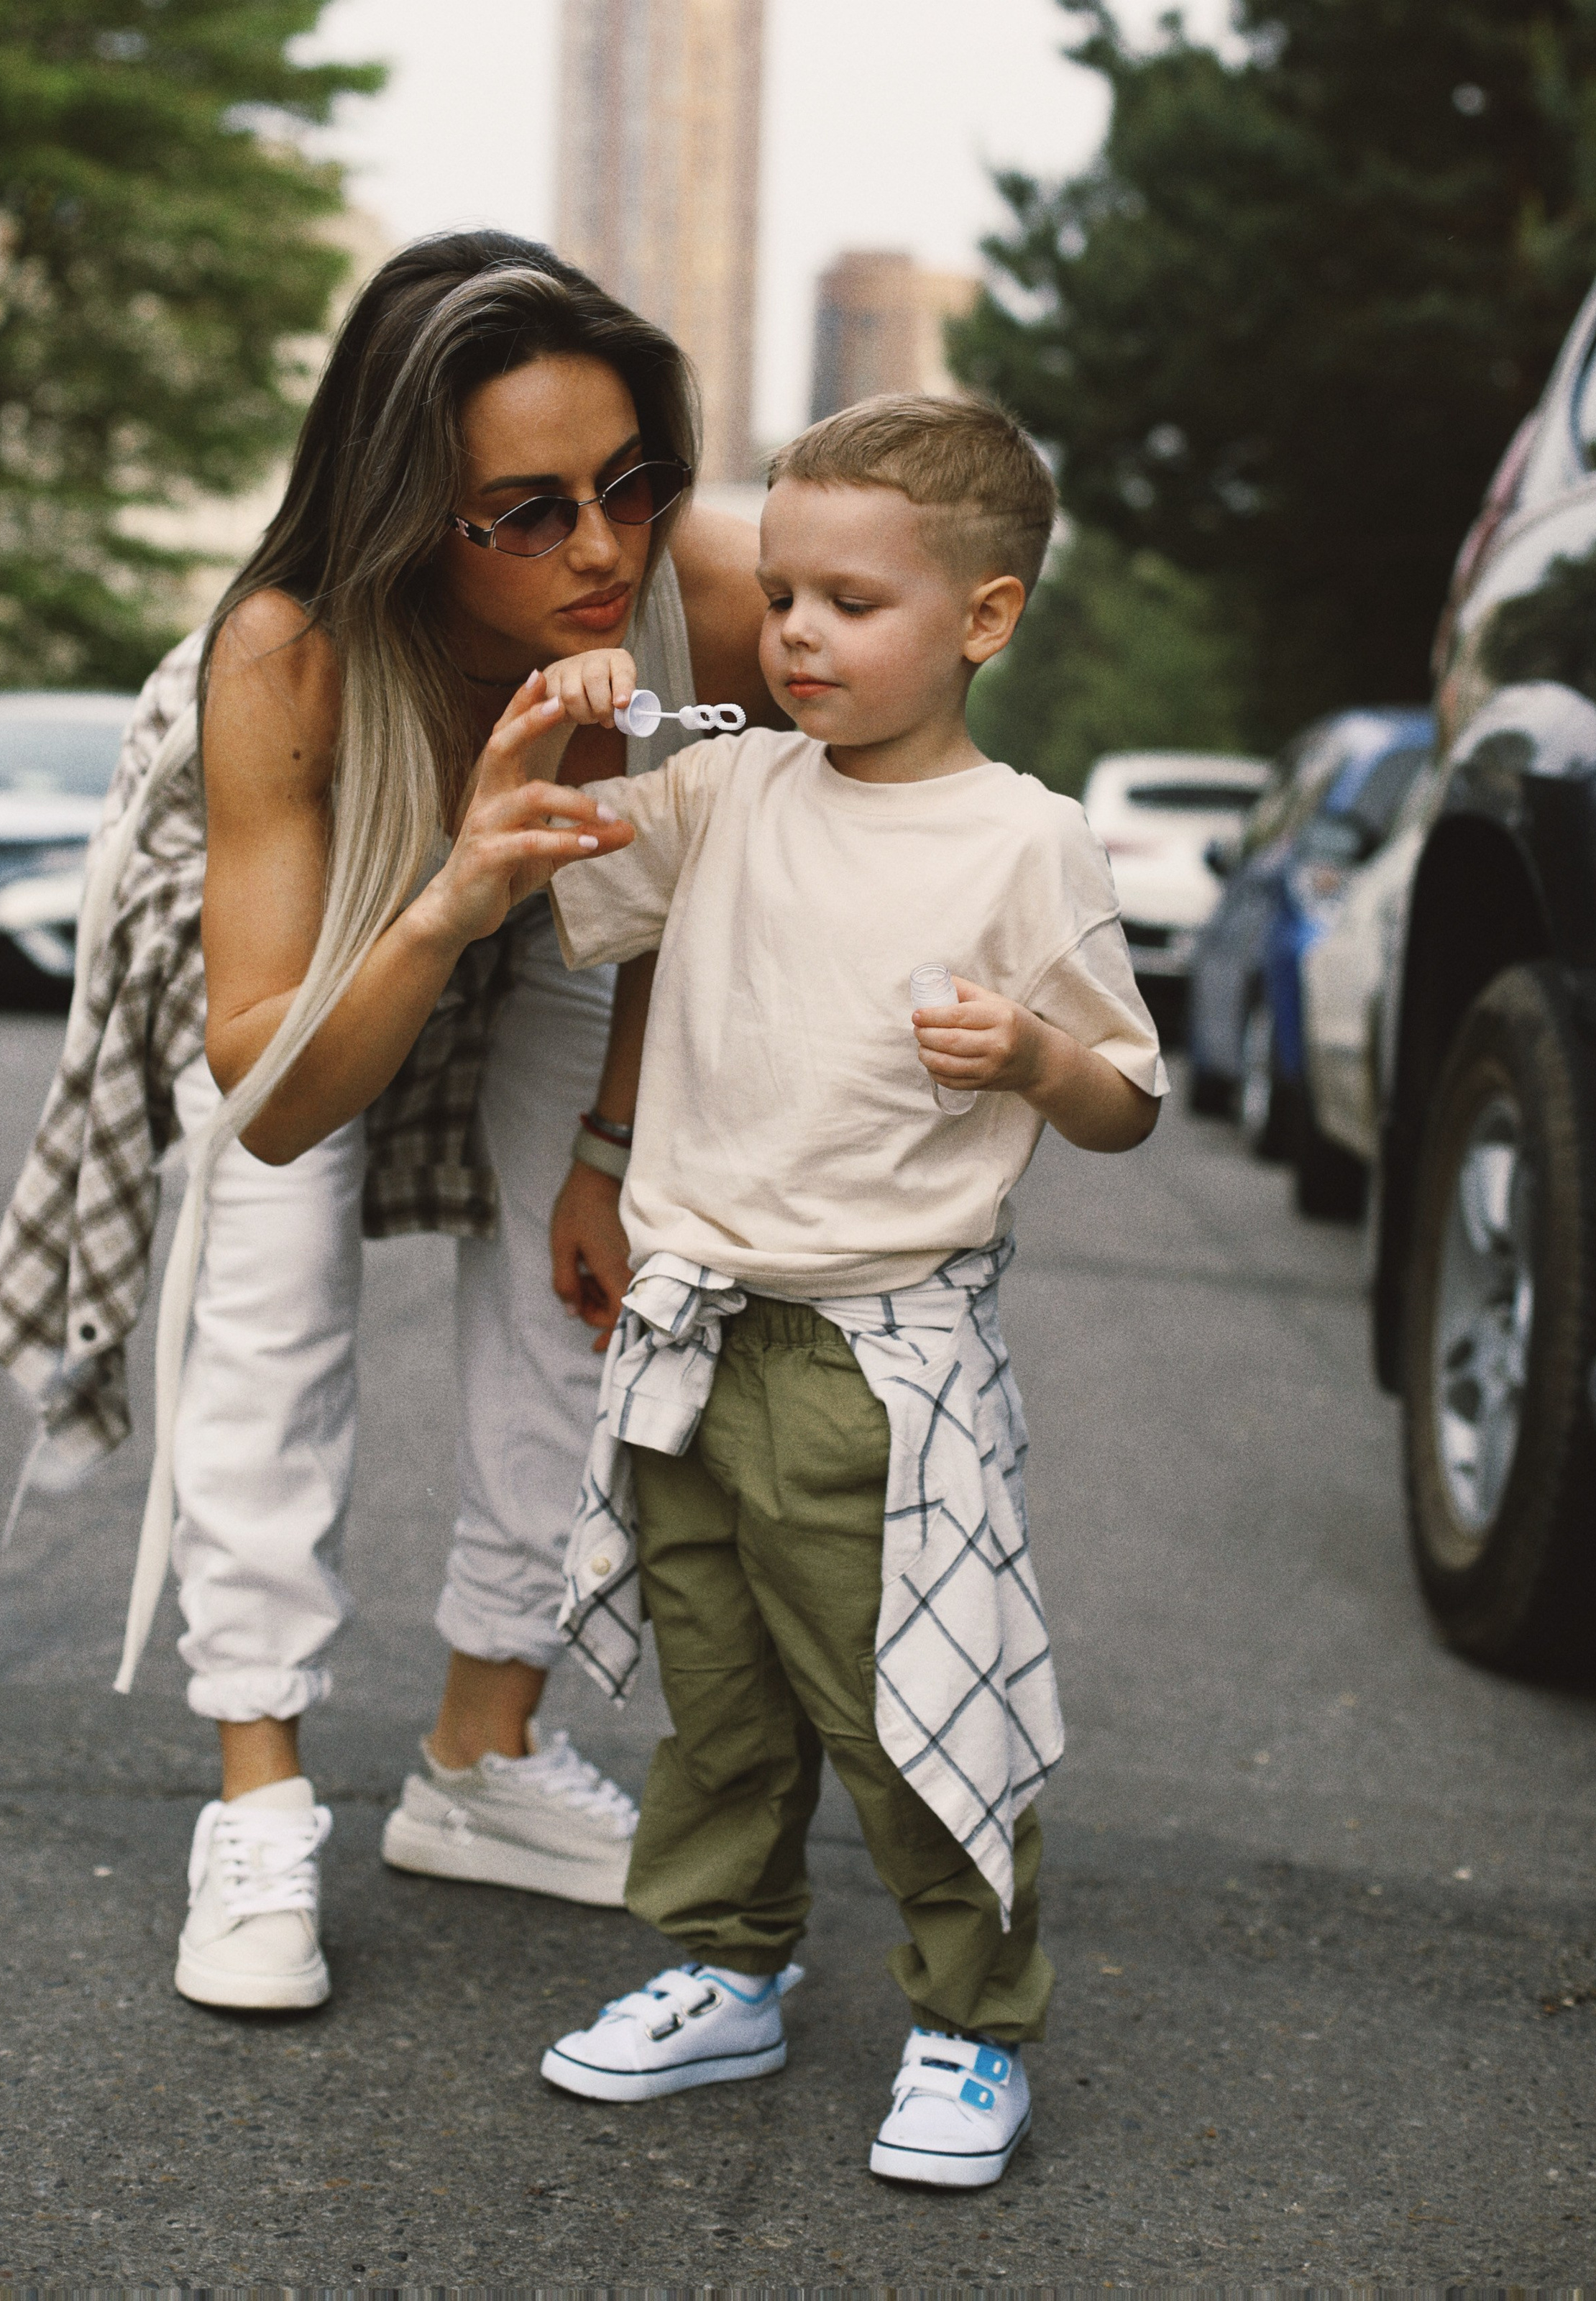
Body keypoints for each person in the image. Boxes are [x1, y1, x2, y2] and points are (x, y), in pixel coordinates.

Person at [0, 234, 779, 2013]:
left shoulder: (709, 601)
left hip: (565, 888)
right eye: (529, 512)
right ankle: (258, 1795)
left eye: (631, 481)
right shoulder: (289, 660)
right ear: (412, 515)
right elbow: (273, 1109)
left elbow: (698, 870)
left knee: (592, 1296)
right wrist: (448, 897)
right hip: (332, 911)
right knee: (268, 1300)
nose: (602, 549)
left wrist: (609, 1151)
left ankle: (481, 1759)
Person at [523, 394, 1168, 2187]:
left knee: (912, 1705)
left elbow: (1125, 1098)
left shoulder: (1020, 840)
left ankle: (970, 2022)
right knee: (720, 1701)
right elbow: (536, 855)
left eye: (850, 603)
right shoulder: (725, 784)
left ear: (984, 617)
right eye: (782, 595)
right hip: (688, 1329)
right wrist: (566, 718)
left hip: (870, 1362)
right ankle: (727, 1969)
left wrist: (1035, 1055)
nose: (794, 633)